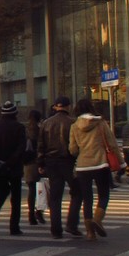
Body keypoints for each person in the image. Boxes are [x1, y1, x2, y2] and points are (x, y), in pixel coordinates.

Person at [69, 99, 125, 239]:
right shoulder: (100, 123)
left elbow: (73, 149)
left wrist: (81, 151)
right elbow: (112, 144)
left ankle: (90, 232)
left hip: (83, 166)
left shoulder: (75, 126)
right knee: (104, 194)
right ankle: (97, 219)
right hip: (101, 164)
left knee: (87, 199)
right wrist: (122, 163)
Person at [37, 96, 81, 238]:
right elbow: (77, 145)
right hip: (69, 161)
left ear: (55, 107)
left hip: (51, 162)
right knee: (77, 193)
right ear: (68, 106)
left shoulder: (46, 123)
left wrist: (41, 163)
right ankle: (72, 224)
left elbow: (41, 145)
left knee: (55, 197)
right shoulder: (73, 122)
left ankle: (56, 230)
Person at [0, 102, 27, 235]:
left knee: (1, 193)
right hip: (14, 168)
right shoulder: (19, 128)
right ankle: (14, 227)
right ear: (15, 114)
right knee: (16, 198)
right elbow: (21, 148)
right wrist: (10, 162)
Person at [23, 109, 42, 225]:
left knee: (31, 190)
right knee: (42, 189)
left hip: (27, 163)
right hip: (37, 161)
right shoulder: (40, 130)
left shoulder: (25, 130)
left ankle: (31, 214)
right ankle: (39, 211)